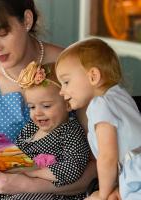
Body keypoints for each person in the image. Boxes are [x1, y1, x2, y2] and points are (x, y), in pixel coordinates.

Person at [0, 0, 97, 199]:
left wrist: (29, 185)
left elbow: (97, 164)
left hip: (59, 190)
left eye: (3, 34)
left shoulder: (71, 68)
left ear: (27, 20)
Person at [0, 62, 90, 199]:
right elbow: (16, 152)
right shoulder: (32, 127)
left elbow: (73, 168)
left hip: (48, 190)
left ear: (67, 104)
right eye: (32, 107)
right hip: (16, 179)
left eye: (46, 106)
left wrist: (34, 173)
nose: (38, 113)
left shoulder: (71, 131)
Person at [55, 38, 141, 200]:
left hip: (135, 175)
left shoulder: (100, 105)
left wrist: (103, 194)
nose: (61, 91)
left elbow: (108, 157)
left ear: (93, 76)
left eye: (66, 82)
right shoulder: (121, 96)